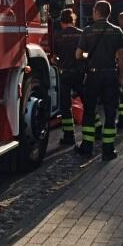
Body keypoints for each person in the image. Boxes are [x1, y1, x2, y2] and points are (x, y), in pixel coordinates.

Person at [76, 0, 123, 161]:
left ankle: (87, 147)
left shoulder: (88, 31)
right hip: (111, 75)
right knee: (111, 113)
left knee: (89, 111)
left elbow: (78, 55)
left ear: (97, 12)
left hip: (93, 76)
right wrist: (120, 77)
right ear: (109, 13)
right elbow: (121, 58)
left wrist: (87, 55)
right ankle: (108, 150)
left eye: (93, 10)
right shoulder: (117, 31)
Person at [53, 9, 84, 146]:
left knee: (65, 107)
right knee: (87, 102)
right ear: (73, 20)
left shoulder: (57, 36)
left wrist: (59, 63)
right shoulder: (81, 34)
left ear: (61, 22)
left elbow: (54, 57)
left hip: (65, 73)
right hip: (80, 73)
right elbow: (86, 54)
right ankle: (97, 130)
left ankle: (69, 136)